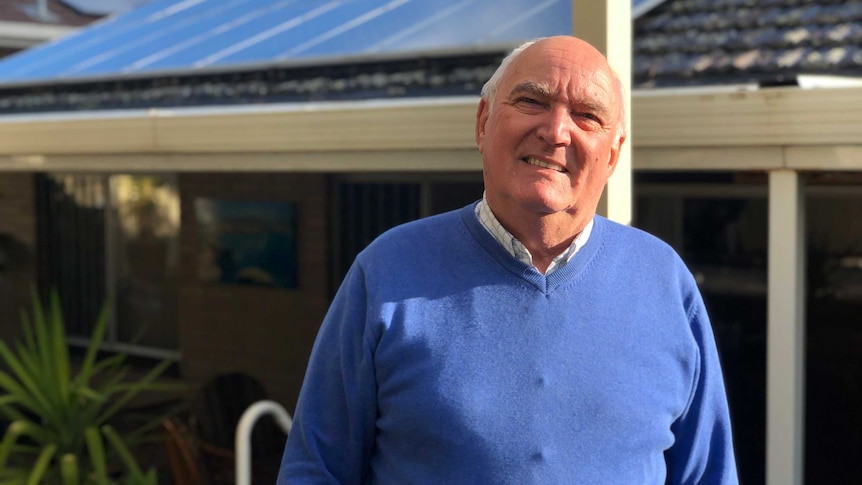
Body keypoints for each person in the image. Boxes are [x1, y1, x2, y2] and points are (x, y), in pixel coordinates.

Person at [277, 35, 738, 484]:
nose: (556, 131)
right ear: (483, 122)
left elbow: (710, 474)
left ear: (613, 155)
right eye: (532, 102)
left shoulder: (664, 283)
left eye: (587, 116)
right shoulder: (387, 272)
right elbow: (316, 470)